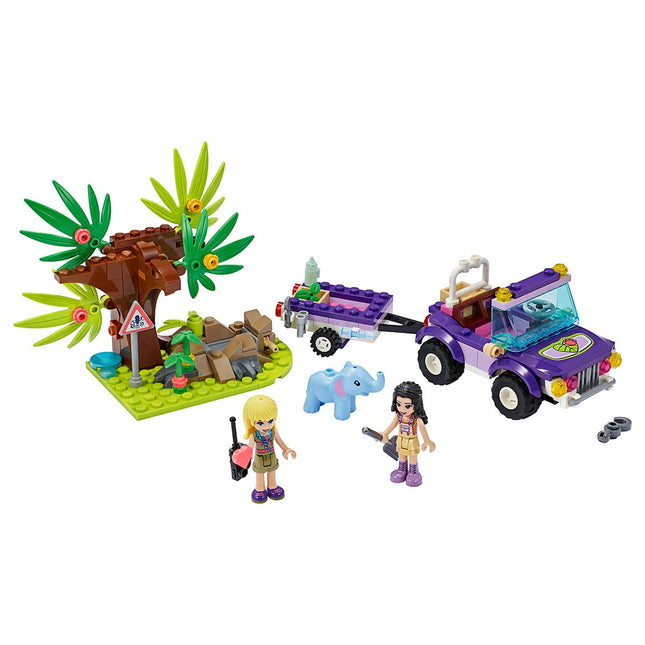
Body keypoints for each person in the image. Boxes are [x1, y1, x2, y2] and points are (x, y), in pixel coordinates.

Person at [243, 395, 296, 504]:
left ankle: (272, 486)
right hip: (259, 458)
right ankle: (260, 488)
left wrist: (286, 449)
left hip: (271, 456)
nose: (266, 426)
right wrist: (246, 456)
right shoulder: (254, 435)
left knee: (272, 471)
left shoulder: (273, 432)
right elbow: (250, 447)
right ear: (252, 422)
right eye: (260, 423)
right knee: (259, 474)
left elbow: (279, 441)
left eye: (270, 421)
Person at [381, 382, 435, 487]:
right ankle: (402, 470)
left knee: (413, 457)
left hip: (412, 442)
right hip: (401, 440)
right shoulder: (398, 417)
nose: (402, 409)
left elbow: (423, 431)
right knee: (401, 456)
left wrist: (427, 441)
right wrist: (384, 434)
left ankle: (413, 472)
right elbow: (391, 427)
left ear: (416, 404)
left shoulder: (417, 420)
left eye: (407, 406)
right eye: (399, 404)